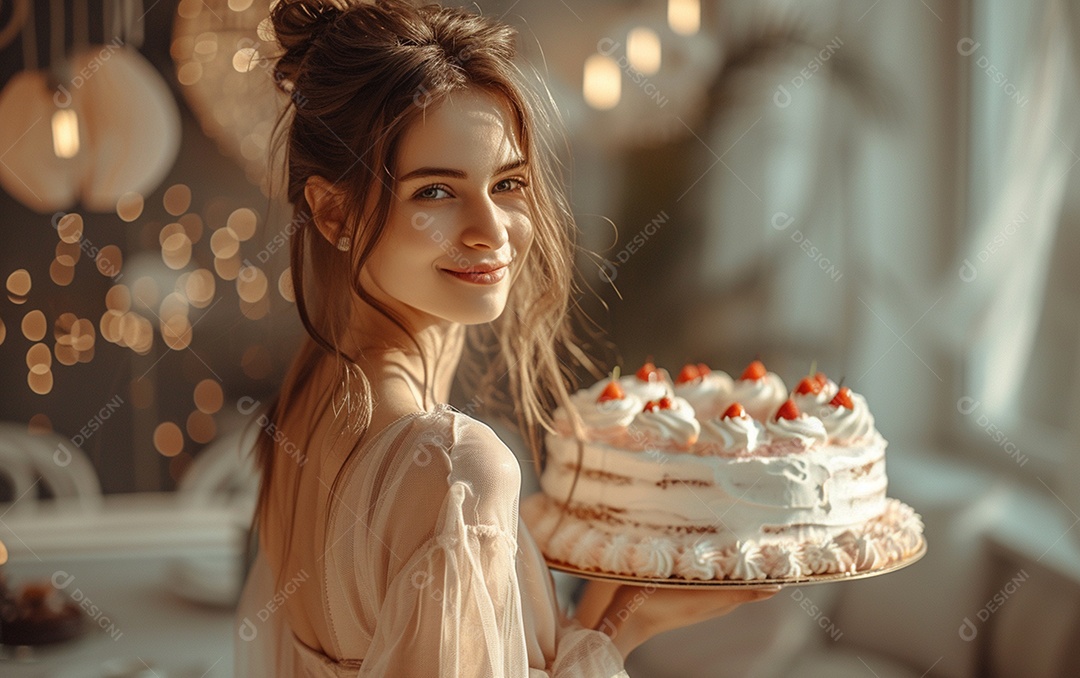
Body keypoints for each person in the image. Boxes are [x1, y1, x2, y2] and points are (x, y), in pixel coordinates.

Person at [234, 1, 776, 675]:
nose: (492, 230)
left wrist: (619, 607)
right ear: (333, 211)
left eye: (508, 182)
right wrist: (622, 626)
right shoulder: (455, 468)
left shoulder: (311, 393)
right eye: (435, 192)